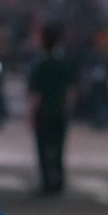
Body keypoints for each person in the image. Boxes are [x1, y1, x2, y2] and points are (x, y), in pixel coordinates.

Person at [28, 26, 77, 196]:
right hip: (60, 111)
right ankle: (59, 180)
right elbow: (71, 90)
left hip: (44, 112)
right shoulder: (65, 63)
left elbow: (36, 94)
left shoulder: (40, 65)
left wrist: (32, 113)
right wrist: (68, 108)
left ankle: (47, 181)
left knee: (43, 147)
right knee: (59, 147)